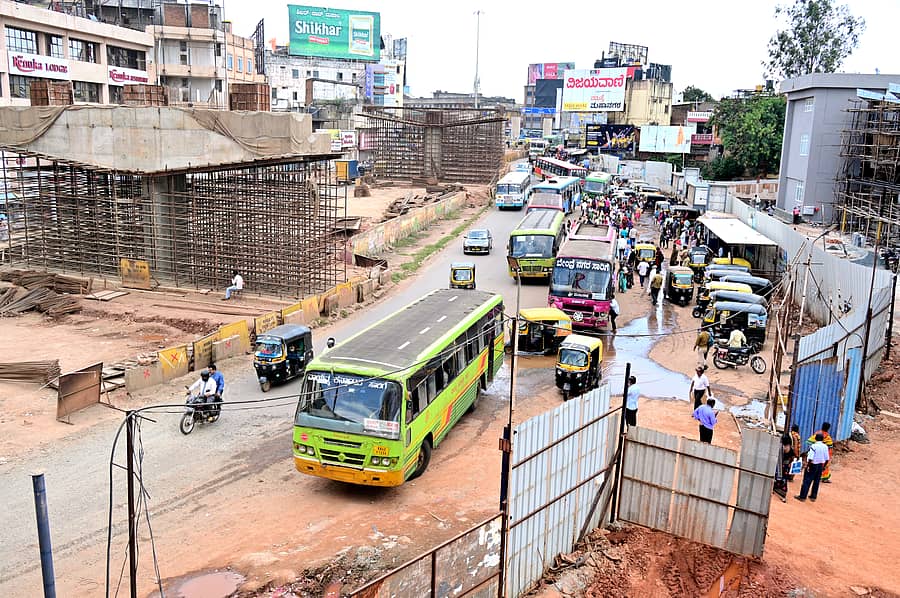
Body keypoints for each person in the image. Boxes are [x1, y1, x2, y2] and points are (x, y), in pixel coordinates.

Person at [796, 432, 830, 502]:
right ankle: (813, 496)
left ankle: (802, 496)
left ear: (815, 438)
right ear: (823, 439)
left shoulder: (813, 446)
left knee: (807, 481)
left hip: (813, 465)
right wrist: (824, 466)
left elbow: (810, 458)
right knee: (816, 481)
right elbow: (827, 458)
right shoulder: (825, 447)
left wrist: (808, 466)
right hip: (820, 465)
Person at [774, 434, 793, 501]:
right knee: (784, 479)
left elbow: (779, 458)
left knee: (779, 478)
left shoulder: (782, 447)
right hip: (786, 466)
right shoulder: (790, 447)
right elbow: (792, 457)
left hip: (782, 465)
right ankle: (783, 493)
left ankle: (778, 491)